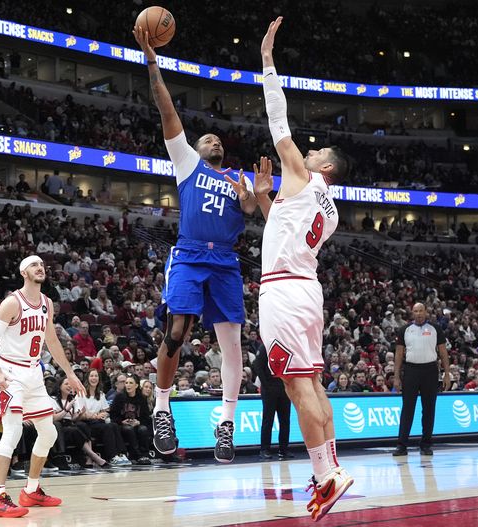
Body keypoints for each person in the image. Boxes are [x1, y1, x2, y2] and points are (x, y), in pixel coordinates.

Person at [132, 24, 258, 463]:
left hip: (225, 261)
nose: (215, 139)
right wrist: (152, 61)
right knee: (178, 330)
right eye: (208, 138)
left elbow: (252, 214)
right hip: (188, 255)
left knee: (233, 346)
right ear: (196, 147)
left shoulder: (237, 179)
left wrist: (254, 198)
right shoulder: (186, 162)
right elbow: (166, 109)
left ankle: (226, 424)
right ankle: (162, 408)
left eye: (218, 139)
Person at [253, 17, 353, 522]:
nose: (306, 151)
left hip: (284, 294)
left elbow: (278, 121)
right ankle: (330, 470)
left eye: (316, 154)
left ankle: (325, 476)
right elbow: (282, 226)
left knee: (295, 387)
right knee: (312, 383)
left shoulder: (303, 173)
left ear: (325, 168)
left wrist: (268, 59)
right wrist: (264, 197)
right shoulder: (327, 208)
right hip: (307, 292)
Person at [0, 255, 86, 517]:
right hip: (9, 372)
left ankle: (31, 490)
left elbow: (51, 341)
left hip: (33, 372)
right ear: (23, 272)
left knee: (49, 433)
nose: (40, 268)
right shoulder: (11, 303)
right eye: (33, 265)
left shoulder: (47, 304)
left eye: (41, 265)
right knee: (13, 432)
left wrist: (69, 373)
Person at [393, 303, 451, 456]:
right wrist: (397, 377)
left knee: (429, 409)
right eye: (415, 311)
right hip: (411, 370)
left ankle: (426, 444)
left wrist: (446, 373)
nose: (418, 313)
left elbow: (443, 353)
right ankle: (402, 445)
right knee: (407, 409)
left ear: (426, 312)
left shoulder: (435, 329)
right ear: (412, 312)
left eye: (421, 311)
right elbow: (399, 355)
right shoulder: (404, 329)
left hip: (430, 371)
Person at [253, 344, 291, 460]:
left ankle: (283, 450)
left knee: (285, 420)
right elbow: (257, 365)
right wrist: (265, 385)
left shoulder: (287, 345)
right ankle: (265, 449)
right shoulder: (265, 346)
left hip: (284, 388)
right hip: (269, 388)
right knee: (268, 420)